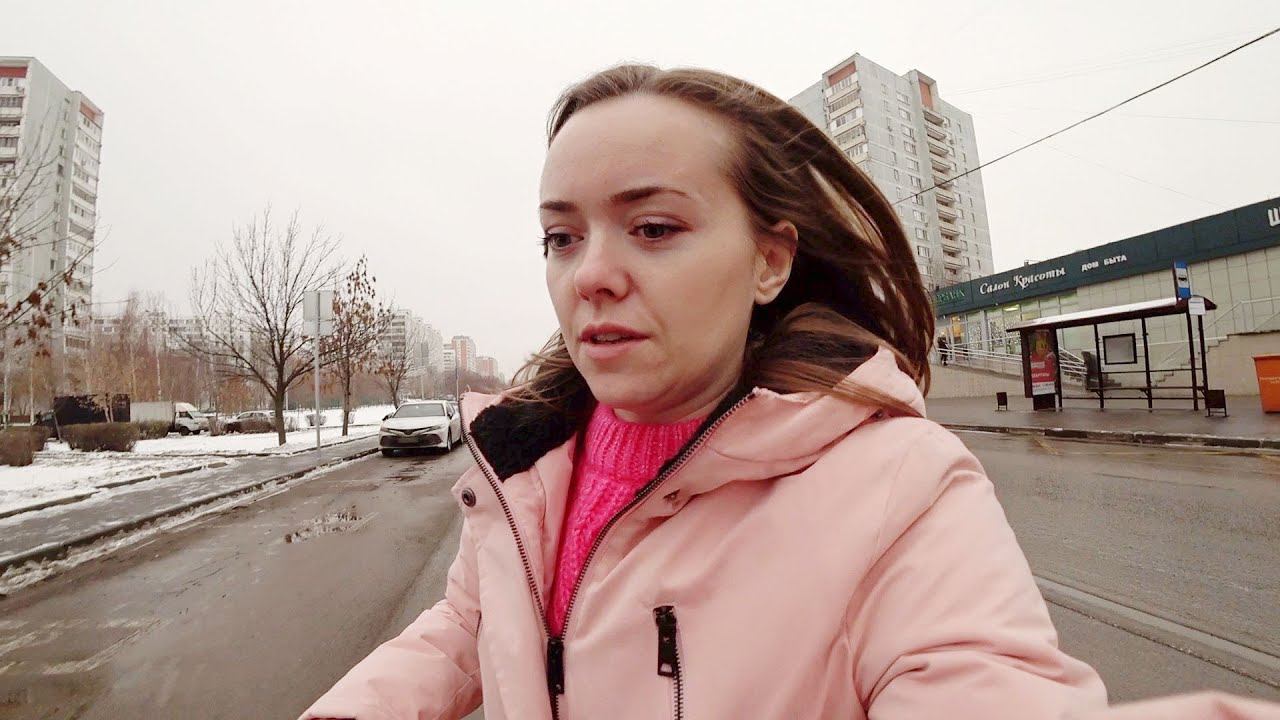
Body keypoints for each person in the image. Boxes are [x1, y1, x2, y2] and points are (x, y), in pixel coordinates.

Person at [301, 66, 1278, 720]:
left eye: (653, 228)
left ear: (769, 259)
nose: (589, 274)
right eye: (561, 237)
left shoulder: (900, 483)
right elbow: (468, 627)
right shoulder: (528, 462)